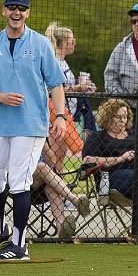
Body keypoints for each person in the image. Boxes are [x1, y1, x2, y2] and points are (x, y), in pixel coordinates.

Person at [0, 0, 67, 261]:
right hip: (0, 124)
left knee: (19, 182)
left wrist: (60, 116)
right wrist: (0, 96)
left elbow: (56, 84)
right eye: (12, 7)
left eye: (22, 8)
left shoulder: (40, 44)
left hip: (30, 124)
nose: (17, 12)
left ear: (28, 12)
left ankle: (19, 244)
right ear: (4, 10)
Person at [44, 21, 94, 172]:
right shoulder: (54, 62)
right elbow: (52, 89)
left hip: (66, 114)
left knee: (59, 158)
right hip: (56, 115)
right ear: (64, 43)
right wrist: (79, 87)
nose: (74, 43)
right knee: (54, 159)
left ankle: (56, 191)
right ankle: (52, 192)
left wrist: (83, 87)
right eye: (73, 41)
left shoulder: (63, 62)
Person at [33, 144, 90, 238]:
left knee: (50, 186)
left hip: (45, 182)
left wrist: (43, 143)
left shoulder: (40, 137)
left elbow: (51, 164)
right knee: (42, 167)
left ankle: (61, 227)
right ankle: (74, 199)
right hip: (23, 182)